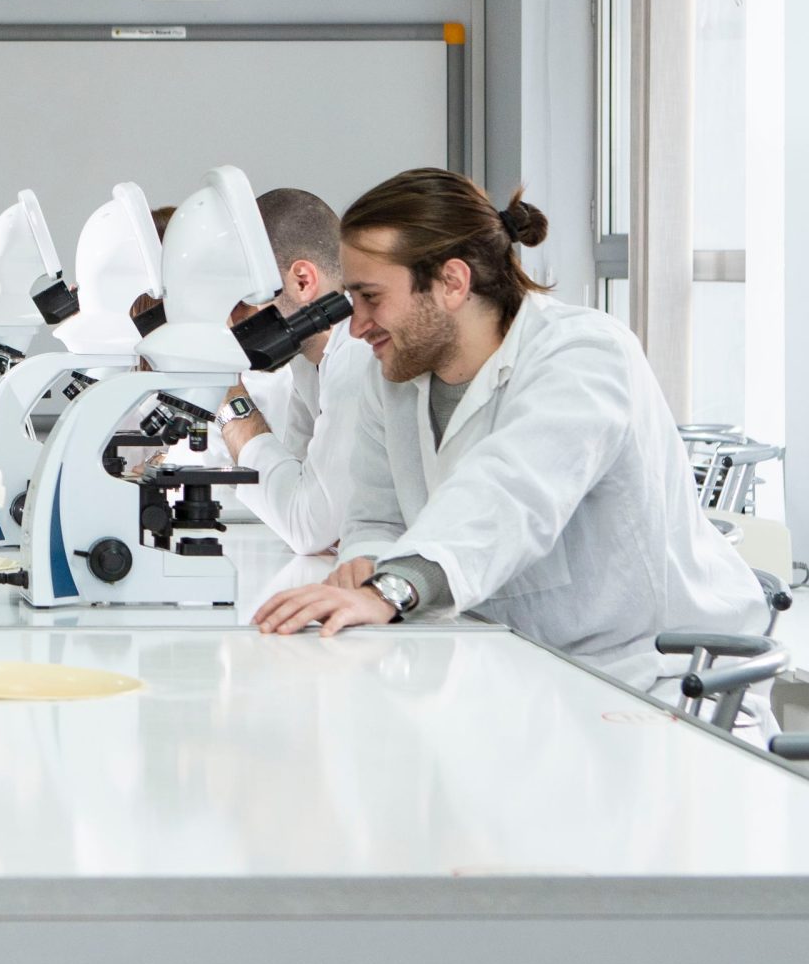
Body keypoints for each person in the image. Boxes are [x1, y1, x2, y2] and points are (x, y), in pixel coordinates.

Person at [252, 169, 762, 698]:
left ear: (452, 282)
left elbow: (509, 494)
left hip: (649, 677)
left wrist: (391, 589)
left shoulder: (584, 354)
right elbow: (376, 516)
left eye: (371, 297)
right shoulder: (395, 377)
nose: (356, 326)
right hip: (511, 666)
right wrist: (365, 563)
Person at [217, 189, 377, 555]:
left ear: (302, 281)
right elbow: (292, 490)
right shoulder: (309, 361)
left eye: (243, 300)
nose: (233, 319)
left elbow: (307, 527)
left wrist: (227, 393)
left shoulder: (359, 355)